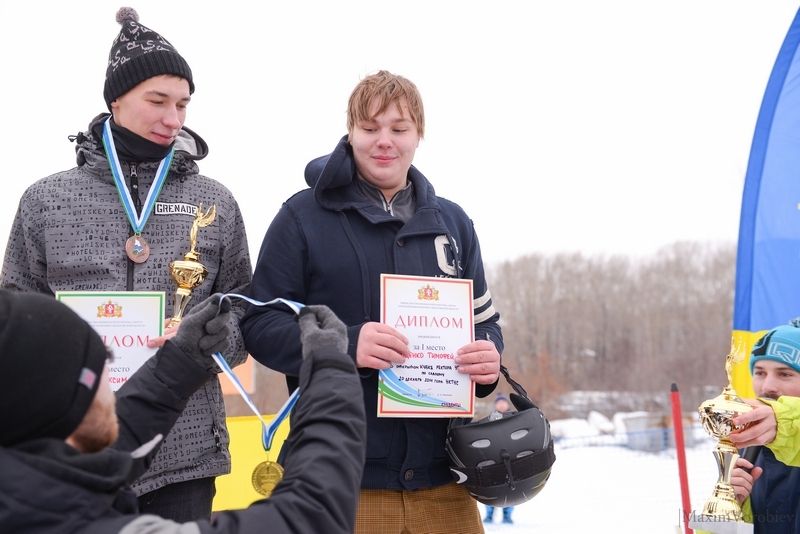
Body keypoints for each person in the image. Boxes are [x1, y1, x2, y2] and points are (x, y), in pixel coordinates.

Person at [0, 7, 252, 521]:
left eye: (182, 104)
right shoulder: (47, 199)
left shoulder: (215, 201)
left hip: (183, 452)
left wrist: (200, 345)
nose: (173, 119)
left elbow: (244, 316)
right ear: (116, 98)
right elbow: (13, 323)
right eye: (157, 101)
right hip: (73, 451)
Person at [241, 70, 503, 533]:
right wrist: (344, 345)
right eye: (370, 128)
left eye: (399, 129)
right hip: (340, 482)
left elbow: (485, 324)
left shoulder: (453, 223)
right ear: (351, 132)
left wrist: (488, 360)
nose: (385, 141)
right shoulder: (301, 217)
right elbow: (259, 327)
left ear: (419, 134)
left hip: (443, 482)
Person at [0, 290, 366, 533]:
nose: (112, 375)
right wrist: (330, 370)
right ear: (60, 399)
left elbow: (108, 448)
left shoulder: (27, 485)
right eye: (101, 363)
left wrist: (181, 361)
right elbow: (311, 519)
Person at [727, 323, 800, 532]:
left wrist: (784, 424)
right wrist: (728, 509)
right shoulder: (741, 448)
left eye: (785, 374)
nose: (767, 386)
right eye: (759, 373)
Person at [482, 394, 516, 525]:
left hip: (510, 457)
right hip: (493, 457)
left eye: (503, 402)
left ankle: (507, 515)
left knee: (511, 487)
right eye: (499, 402)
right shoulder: (490, 419)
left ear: (507, 404)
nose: (501, 405)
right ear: (495, 405)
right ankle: (489, 515)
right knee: (491, 487)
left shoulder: (513, 417)